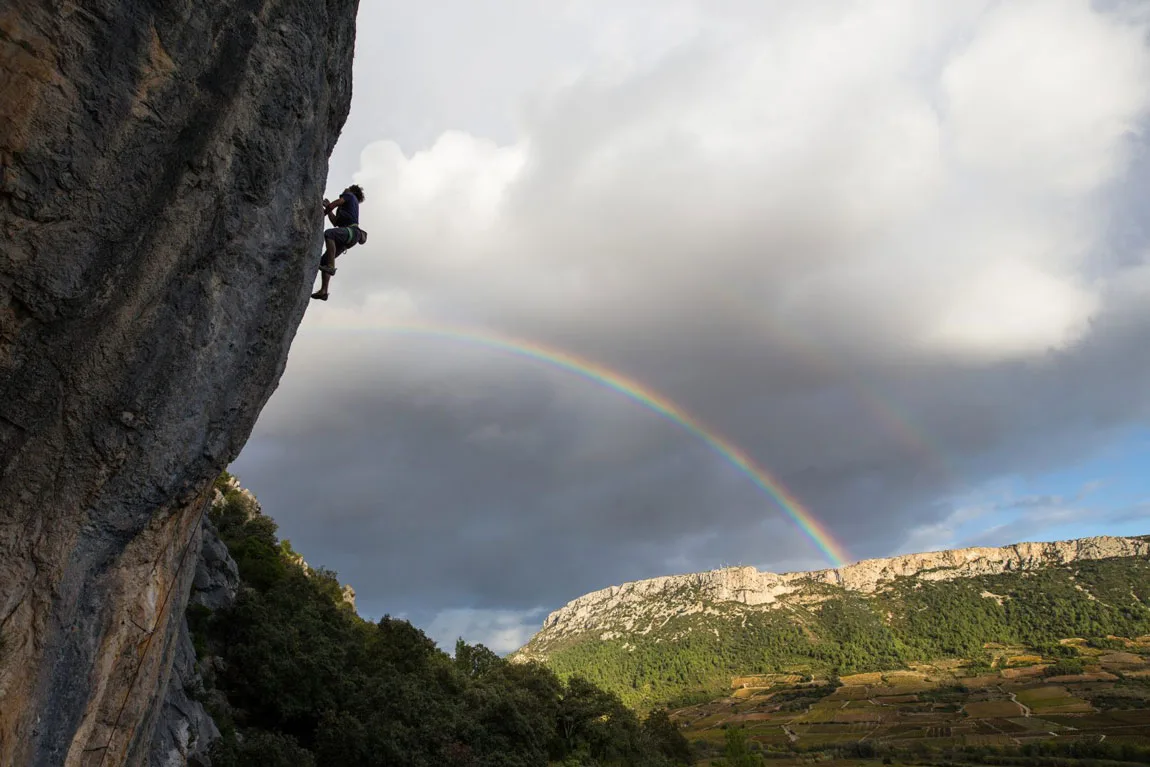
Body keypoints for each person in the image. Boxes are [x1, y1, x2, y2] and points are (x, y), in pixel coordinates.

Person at [312, 184, 367, 300]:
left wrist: (325, 210)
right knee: (323, 261)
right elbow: (335, 222)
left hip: (351, 231)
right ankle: (324, 291)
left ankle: (331, 266)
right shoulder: (347, 208)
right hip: (349, 236)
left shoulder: (350, 195)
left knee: (329, 234)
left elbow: (335, 204)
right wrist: (328, 208)